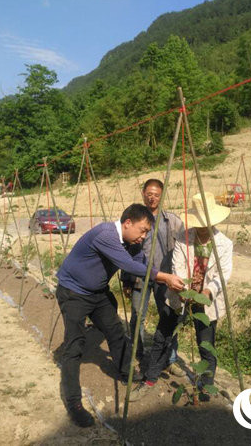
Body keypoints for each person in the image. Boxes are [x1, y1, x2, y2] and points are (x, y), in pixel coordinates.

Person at [55, 203, 185, 427]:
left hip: (97, 292)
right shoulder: (105, 234)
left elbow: (140, 262)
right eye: (142, 231)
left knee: (115, 331)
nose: (144, 237)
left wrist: (160, 277)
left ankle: (126, 371)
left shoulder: (131, 242)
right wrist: (164, 277)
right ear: (127, 223)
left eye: (147, 233)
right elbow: (128, 265)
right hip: (74, 292)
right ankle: (74, 402)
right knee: (74, 345)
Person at [130, 192, 233, 402]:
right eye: (199, 224)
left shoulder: (224, 244)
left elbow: (223, 275)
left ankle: (205, 386)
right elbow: (177, 266)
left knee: (206, 344)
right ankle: (150, 379)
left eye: (205, 224)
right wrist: (184, 290)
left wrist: (207, 292)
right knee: (162, 337)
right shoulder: (183, 238)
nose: (201, 228)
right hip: (180, 295)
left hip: (206, 301)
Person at [121, 179, 184, 376]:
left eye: (156, 195)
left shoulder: (171, 221)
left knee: (168, 316)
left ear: (162, 196)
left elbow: (184, 246)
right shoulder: (135, 219)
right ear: (143, 194)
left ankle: (169, 359)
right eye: (149, 194)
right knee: (137, 315)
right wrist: (126, 279)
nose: (152, 198)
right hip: (140, 277)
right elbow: (126, 252)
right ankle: (138, 354)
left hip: (164, 277)